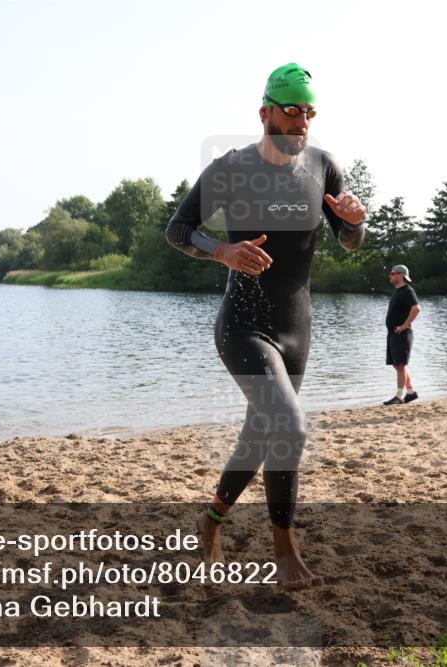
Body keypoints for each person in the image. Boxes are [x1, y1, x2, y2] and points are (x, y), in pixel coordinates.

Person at [165, 63, 366, 590]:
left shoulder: (323, 166)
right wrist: (222, 251)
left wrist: (354, 222)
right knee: (290, 427)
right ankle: (284, 550)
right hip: (244, 324)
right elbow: (178, 229)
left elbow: (350, 243)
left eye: (309, 112)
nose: (302, 121)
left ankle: (211, 521)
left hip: (298, 327)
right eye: (292, 110)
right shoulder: (231, 168)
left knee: (261, 434)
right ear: (265, 113)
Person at [383, 265, 420, 405]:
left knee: (400, 365)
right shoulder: (398, 291)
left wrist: (404, 325)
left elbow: (416, 308)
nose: (390, 275)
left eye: (393, 273)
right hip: (393, 334)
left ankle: (398, 396)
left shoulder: (407, 291)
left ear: (401, 275)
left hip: (402, 334)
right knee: (398, 365)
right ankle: (410, 392)